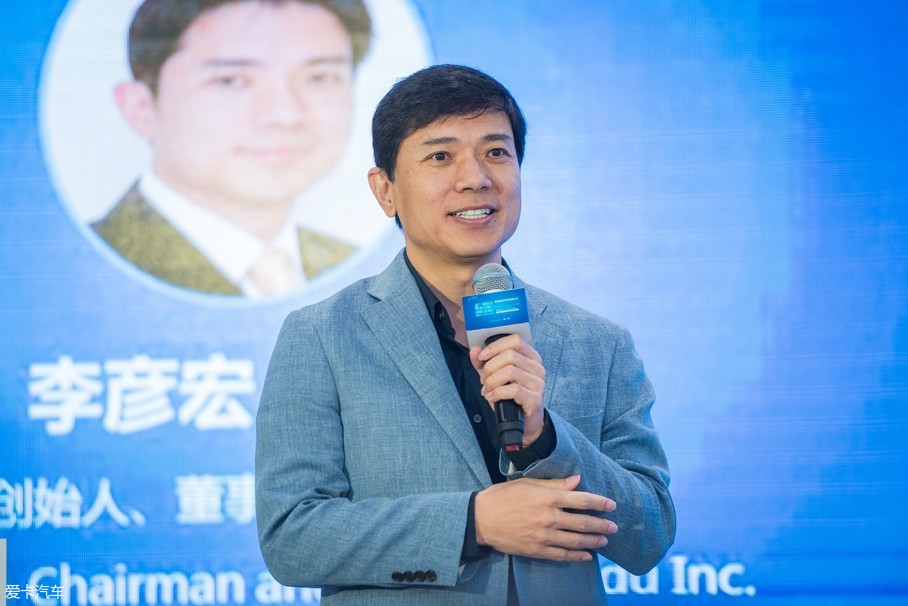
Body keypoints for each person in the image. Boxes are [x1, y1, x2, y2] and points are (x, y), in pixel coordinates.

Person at [255, 64, 675, 605]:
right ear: (385, 190)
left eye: (496, 152)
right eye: (440, 156)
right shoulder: (322, 336)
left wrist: (546, 438)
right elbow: (291, 536)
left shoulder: (598, 343)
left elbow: (650, 534)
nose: (475, 177)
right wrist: (472, 523)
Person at [93, 0, 372, 297]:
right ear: (142, 109)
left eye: (320, 78)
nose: (285, 115)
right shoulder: (90, 270)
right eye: (231, 80)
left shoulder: (360, 268)